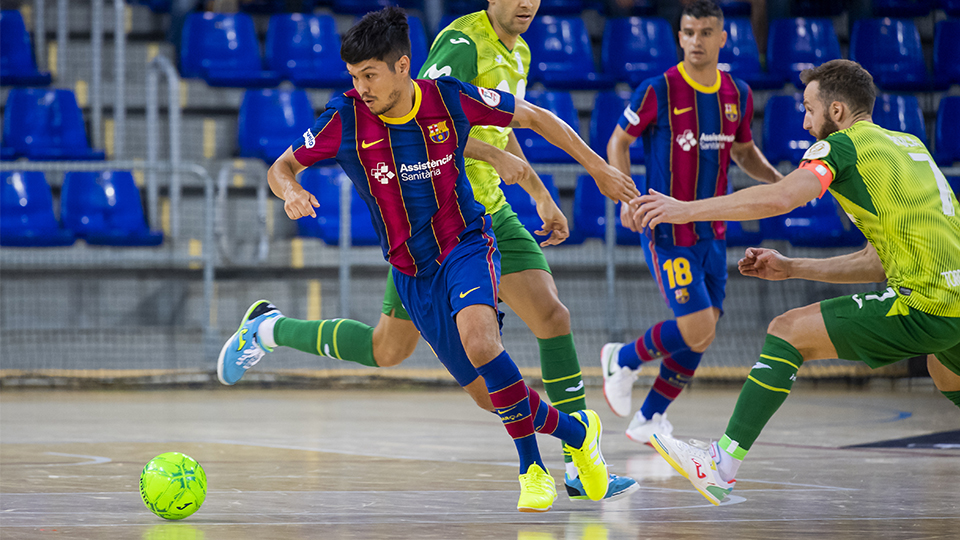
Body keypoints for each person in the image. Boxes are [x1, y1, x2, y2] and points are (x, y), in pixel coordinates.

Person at [217, 7, 640, 512]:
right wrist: (289, 191)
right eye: (354, 76)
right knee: (450, 377)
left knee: (491, 338)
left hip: (466, 241)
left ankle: (535, 469)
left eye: (369, 75)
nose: (362, 87)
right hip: (413, 270)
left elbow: (532, 117)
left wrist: (584, 169)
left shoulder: (447, 99)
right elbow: (281, 166)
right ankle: (577, 433)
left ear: (402, 67)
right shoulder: (347, 116)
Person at [632, 58, 960, 505]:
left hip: (926, 303)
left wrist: (684, 209)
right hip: (954, 302)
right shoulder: (909, 145)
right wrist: (792, 266)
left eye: (809, 109)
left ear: (838, 111)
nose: (805, 123)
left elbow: (783, 197)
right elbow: (877, 263)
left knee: (786, 331)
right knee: (945, 374)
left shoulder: (842, 148)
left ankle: (721, 464)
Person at [601, 0, 782, 445]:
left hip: (713, 233)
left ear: (722, 38)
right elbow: (618, 142)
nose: (695, 41)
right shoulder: (658, 89)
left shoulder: (737, 93)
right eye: (687, 32)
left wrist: (780, 183)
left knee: (703, 332)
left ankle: (648, 417)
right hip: (666, 231)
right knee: (698, 326)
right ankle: (622, 358)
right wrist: (626, 196)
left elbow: (742, 152)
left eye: (705, 32)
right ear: (678, 36)